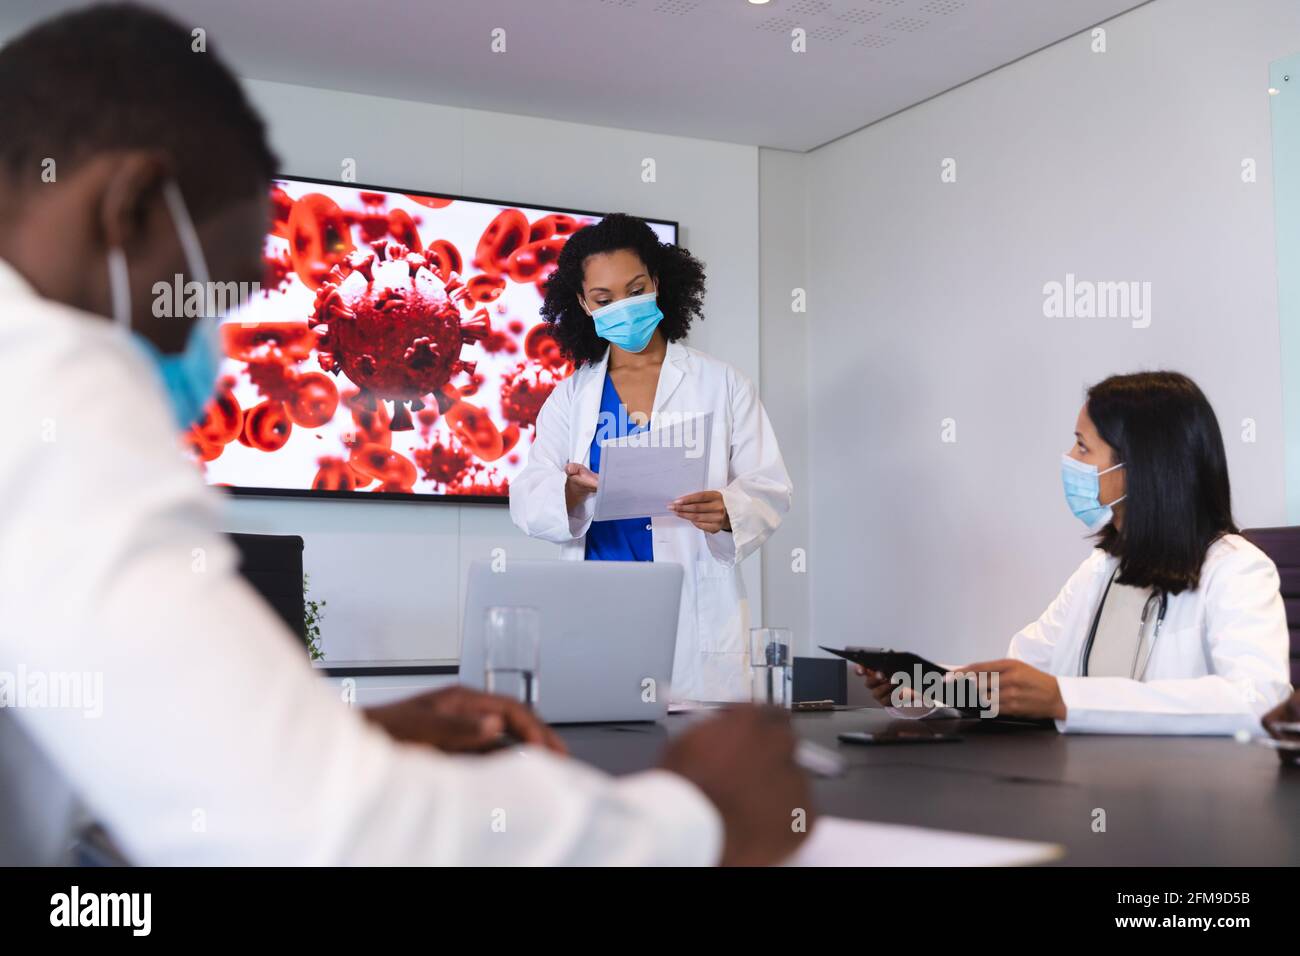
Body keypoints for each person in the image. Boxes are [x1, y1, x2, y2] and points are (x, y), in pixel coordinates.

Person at [0, 3, 811, 866]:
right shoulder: (50, 402)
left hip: (700, 636)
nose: (207, 338)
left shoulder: (719, 385)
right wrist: (697, 821)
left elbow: (123, 735)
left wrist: (351, 732)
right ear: (123, 211)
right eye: (212, 295)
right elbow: (315, 829)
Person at [859, 371, 1292, 734]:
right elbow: (1020, 677)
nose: (1069, 458)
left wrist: (1067, 699)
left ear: (1138, 468)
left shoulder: (1236, 569)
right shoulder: (1101, 570)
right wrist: (925, 685)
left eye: (1083, 447)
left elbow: (1257, 700)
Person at [510, 214, 792, 702]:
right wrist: (570, 490)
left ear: (657, 283)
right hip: (598, 604)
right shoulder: (570, 397)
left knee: (695, 763)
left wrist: (729, 510)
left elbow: (769, 485)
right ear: (582, 303)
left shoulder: (721, 383)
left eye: (635, 288)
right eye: (604, 299)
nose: (622, 306)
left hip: (693, 610)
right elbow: (529, 497)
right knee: (602, 749)